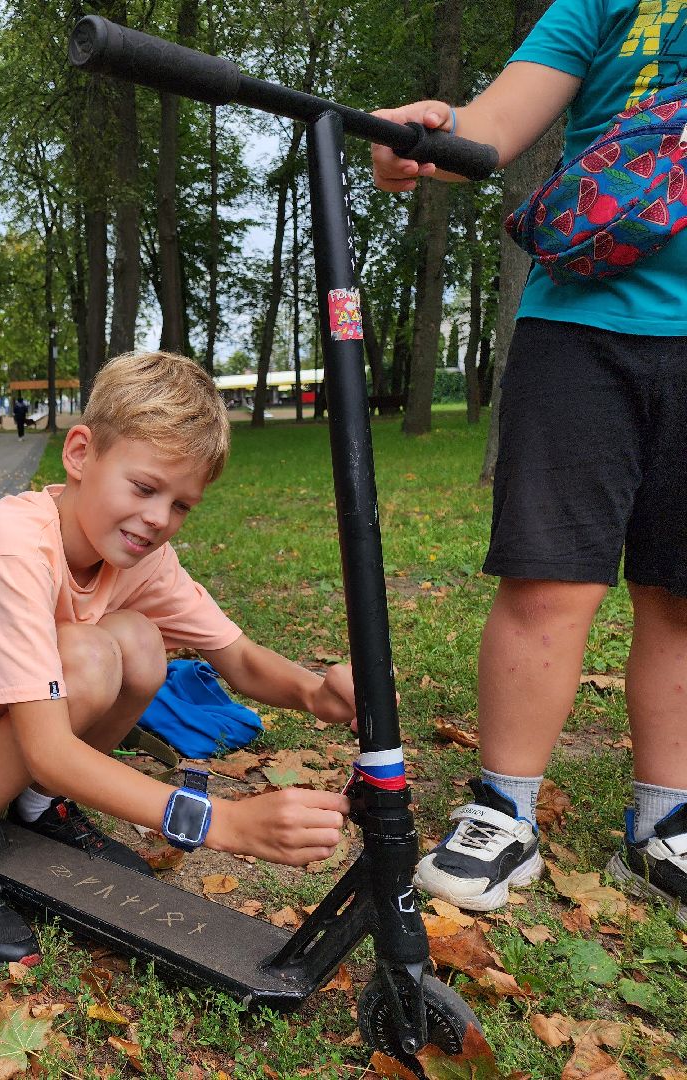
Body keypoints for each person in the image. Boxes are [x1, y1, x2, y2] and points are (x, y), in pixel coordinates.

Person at [0, 351, 356, 970]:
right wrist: (221, 824)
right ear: (81, 454)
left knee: (139, 642)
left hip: (4, 736)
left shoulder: (137, 554)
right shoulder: (12, 550)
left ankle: (37, 808)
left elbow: (237, 656)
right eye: (143, 488)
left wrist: (317, 695)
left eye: (181, 504)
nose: (158, 520)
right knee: (85, 656)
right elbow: (51, 750)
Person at [372, 1, 687, 918]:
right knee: (549, 578)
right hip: (581, 325)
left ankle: (666, 823)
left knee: (679, 589)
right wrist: (429, 134)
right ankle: (504, 809)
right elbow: (494, 122)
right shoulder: (603, 2)